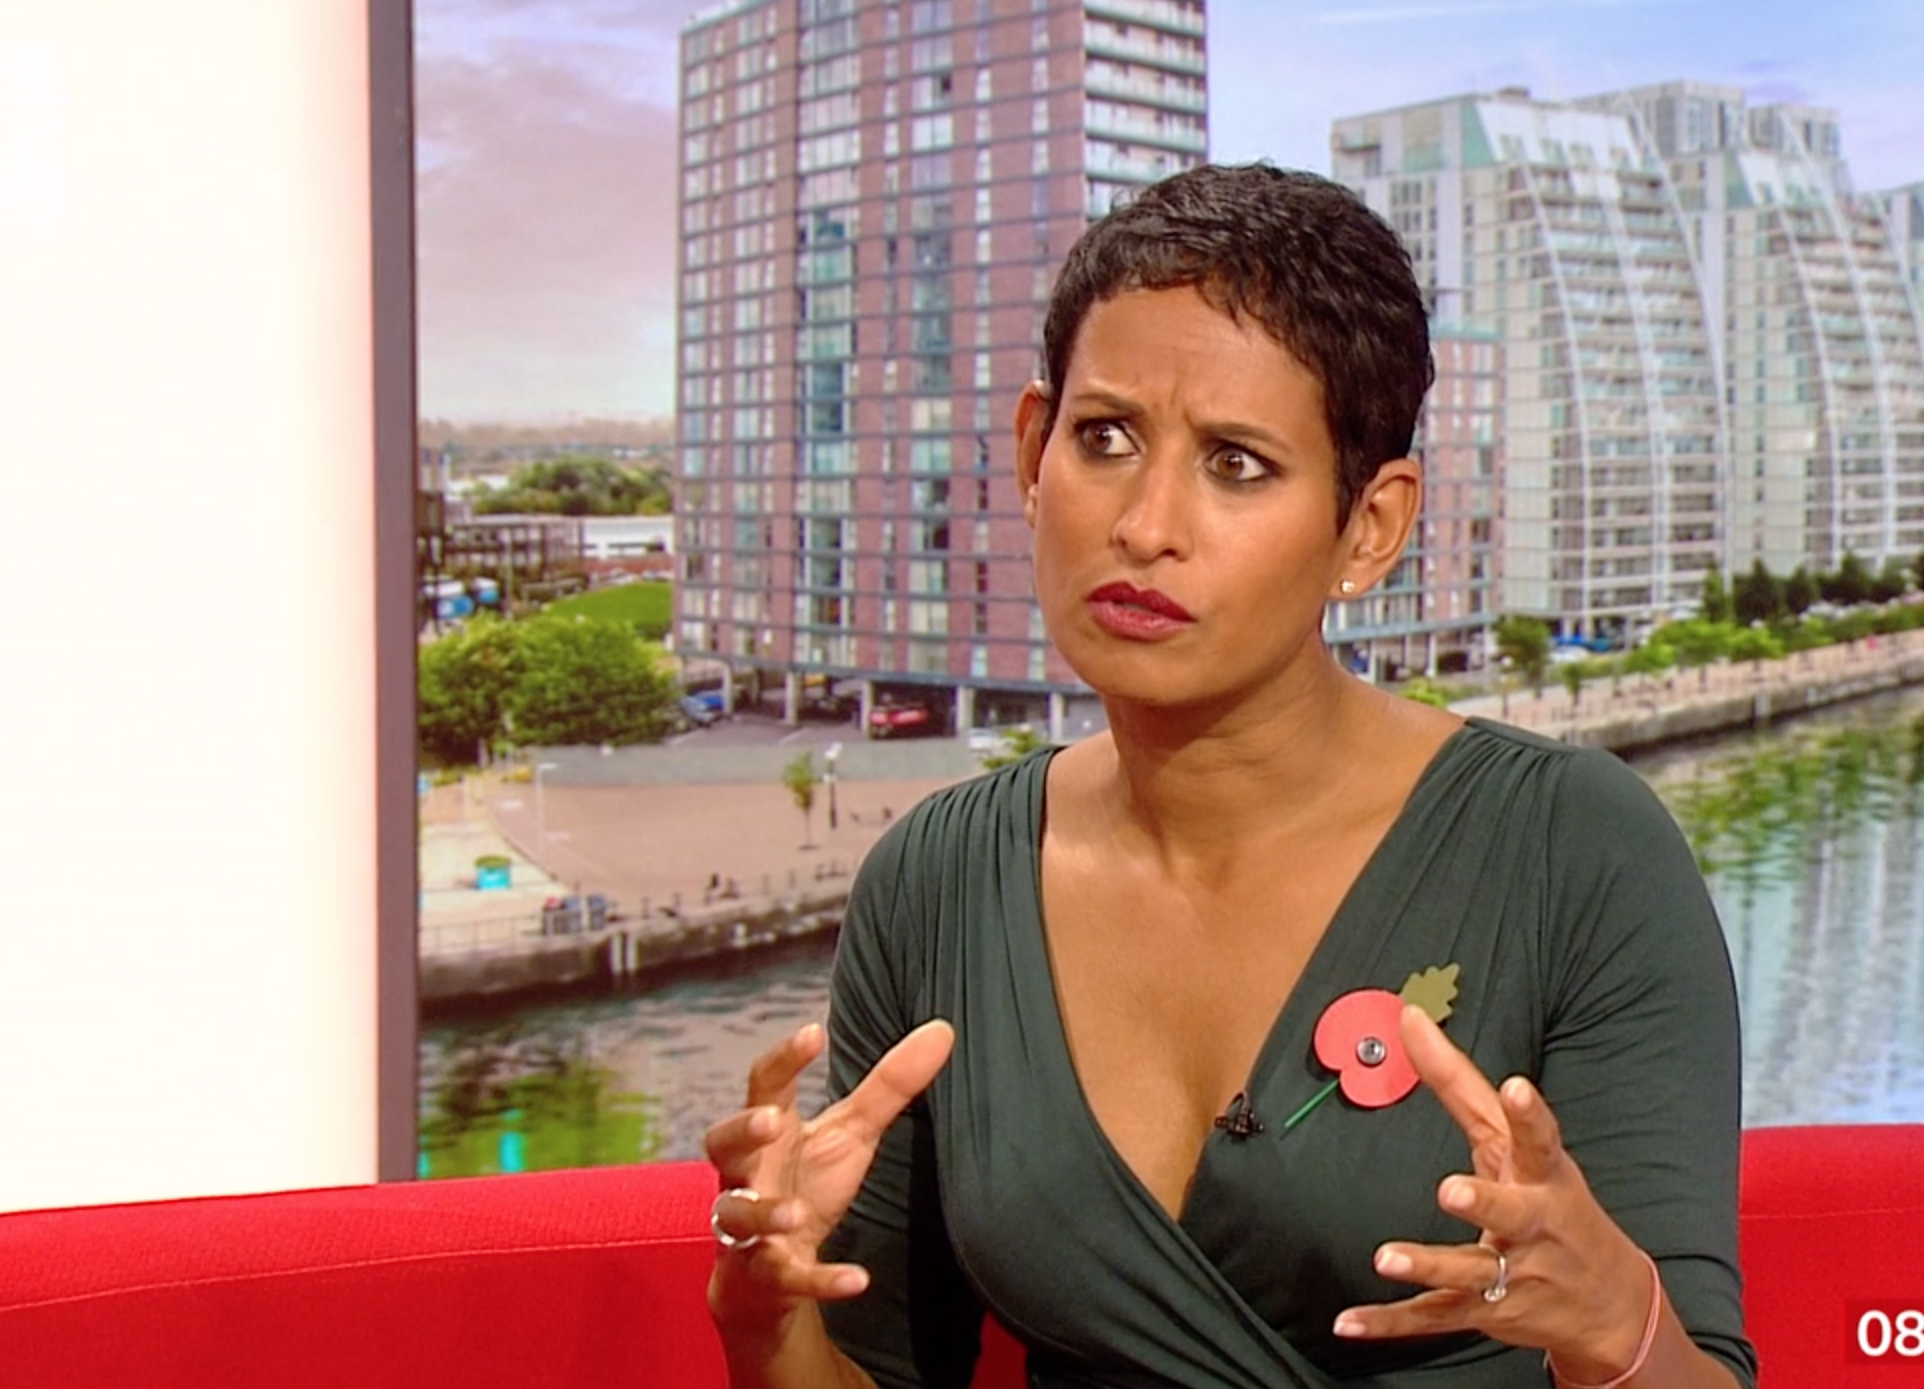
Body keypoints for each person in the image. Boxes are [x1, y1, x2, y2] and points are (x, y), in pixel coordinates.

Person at [703, 163, 1754, 1389]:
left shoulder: (1573, 851)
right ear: (1035, 452)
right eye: (1105, 440)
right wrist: (763, 1317)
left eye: (1237, 464)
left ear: (1370, 524)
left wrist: (1618, 1325)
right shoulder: (936, 880)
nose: (1146, 524)